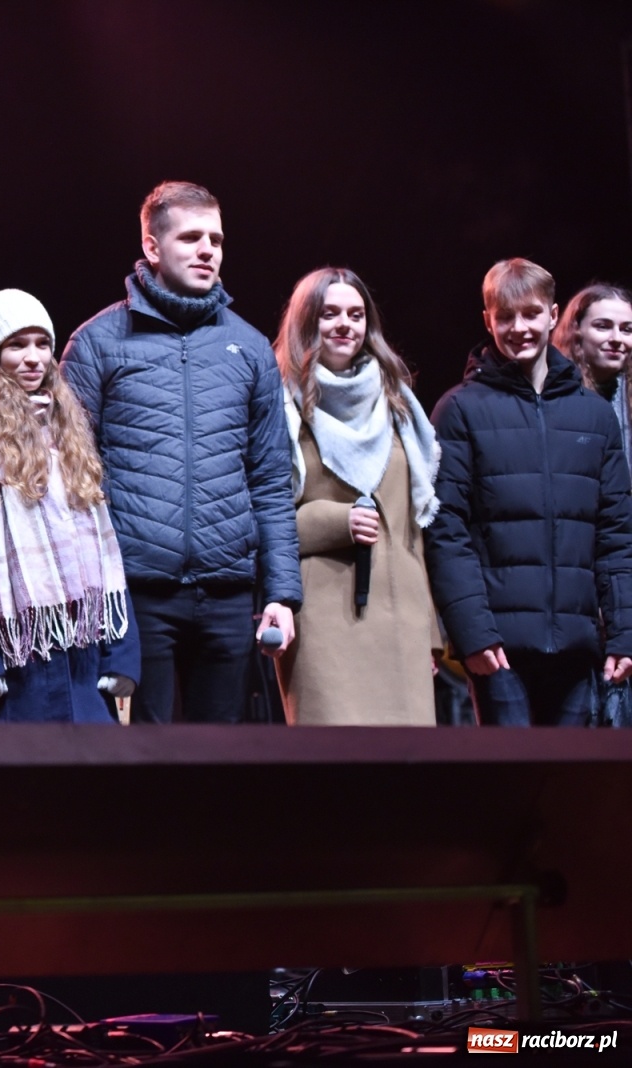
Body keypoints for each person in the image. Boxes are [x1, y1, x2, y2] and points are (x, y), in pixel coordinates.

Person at [61, 181, 301, 724]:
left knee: (218, 768)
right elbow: (70, 477)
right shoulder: (98, 343)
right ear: (152, 246)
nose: (207, 250)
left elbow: (269, 481)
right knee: (142, 763)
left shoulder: (251, 348)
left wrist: (282, 593)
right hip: (134, 595)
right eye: (190, 237)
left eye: (215, 238)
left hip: (227, 594)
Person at [425, 259, 632, 726]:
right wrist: (473, 634)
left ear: (554, 315)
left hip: (578, 647)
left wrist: (623, 635)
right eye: (506, 316)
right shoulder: (459, 409)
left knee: (569, 790)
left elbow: (616, 533)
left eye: (532, 314)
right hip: (498, 652)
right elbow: (444, 530)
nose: (519, 328)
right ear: (488, 320)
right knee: (507, 790)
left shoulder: (594, 418)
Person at [0, 289, 138, 721]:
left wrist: (123, 654)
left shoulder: (67, 430)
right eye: (16, 345)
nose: (33, 357)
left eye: (42, 343)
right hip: (6, 666)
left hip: (81, 663)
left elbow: (101, 542)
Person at [271, 268, 442, 725]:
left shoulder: (399, 404)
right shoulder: (281, 405)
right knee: (334, 773)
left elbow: (413, 526)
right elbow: (264, 514)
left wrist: (430, 631)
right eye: (329, 314)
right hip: (324, 616)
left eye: (356, 314)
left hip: (402, 621)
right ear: (307, 323)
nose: (345, 324)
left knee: (407, 776)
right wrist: (334, 521)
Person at [554, 282, 632, 473]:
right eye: (603, 326)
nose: (616, 338)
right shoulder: (556, 394)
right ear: (576, 331)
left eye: (627, 330)